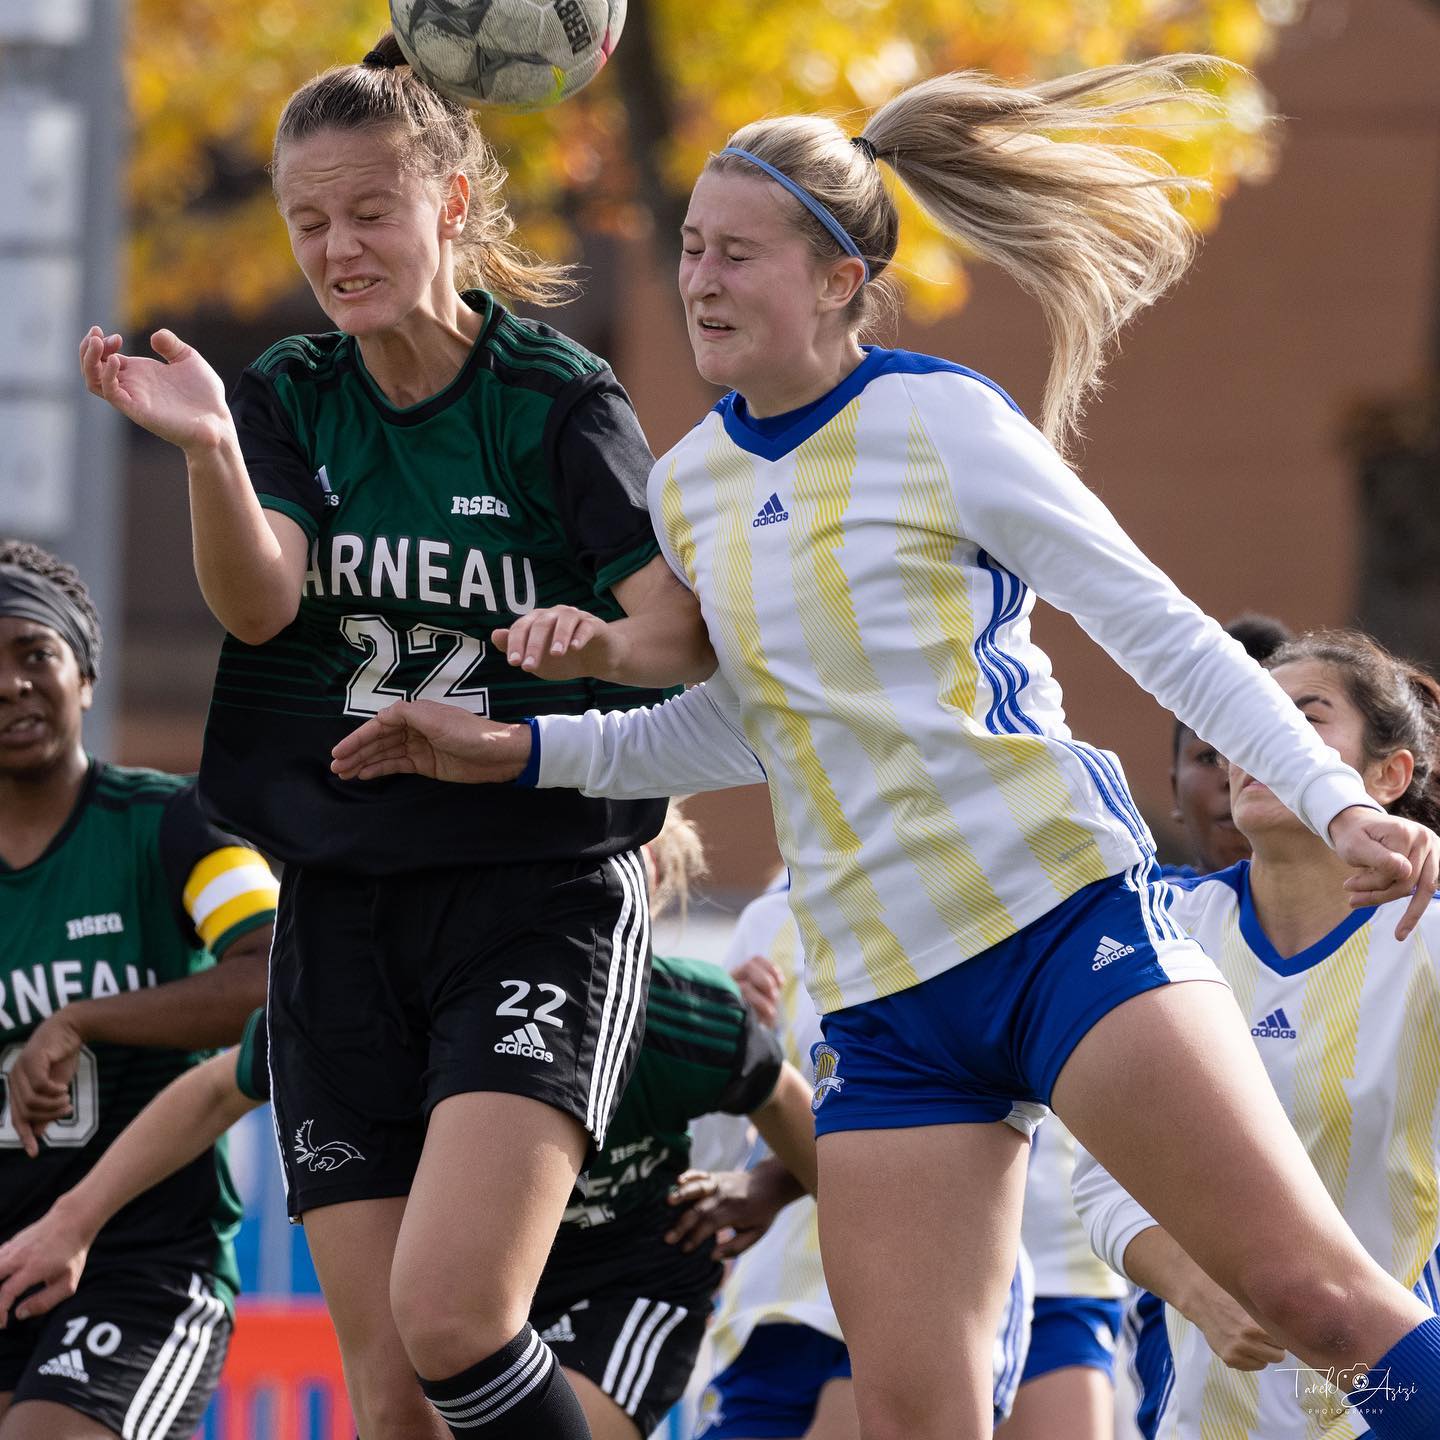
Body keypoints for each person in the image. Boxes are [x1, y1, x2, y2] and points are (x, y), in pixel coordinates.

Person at [328, 56, 1440, 1440]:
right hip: (883, 1008)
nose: (701, 280)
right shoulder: (692, 486)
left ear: (843, 279)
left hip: (1055, 925)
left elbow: (1163, 631)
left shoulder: (943, 422)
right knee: (912, 1421)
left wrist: (1339, 806)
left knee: (1318, 1304)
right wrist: (519, 748)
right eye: (688, 249)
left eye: (739, 252)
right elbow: (747, 722)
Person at [79, 32, 713, 1440]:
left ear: (453, 206)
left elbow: (681, 631)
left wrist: (597, 641)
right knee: (389, 1398)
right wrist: (208, 456)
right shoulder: (295, 393)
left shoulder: (552, 398)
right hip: (345, 907)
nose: (336, 247)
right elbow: (263, 601)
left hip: (532, 894)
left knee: (456, 1320)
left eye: (368, 211)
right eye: (309, 221)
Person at [0, 809, 818, 1440]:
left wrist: (770, 1188)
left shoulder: (684, 1014)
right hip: (480, 1282)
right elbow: (216, 1092)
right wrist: (71, 1223)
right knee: (398, 1412)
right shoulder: (384, 1004)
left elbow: (784, 1101)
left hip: (627, 1283)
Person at [1074, 629, 1440, 1436]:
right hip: (1199, 1420)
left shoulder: (1428, 943)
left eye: (1303, 719)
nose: (1259, 743)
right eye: (1245, 720)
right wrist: (1196, 1287)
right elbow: (1099, 1181)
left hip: (1386, 1405)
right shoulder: (1167, 929)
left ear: (1389, 776)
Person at [0, 540, 275, 1440]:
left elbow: (280, 972)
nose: (11, 685)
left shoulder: (173, 824)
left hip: (143, 1262)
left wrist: (80, 1020)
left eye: (35, 654)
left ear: (84, 676)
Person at [690, 878, 1032, 1440]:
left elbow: (974, 1110)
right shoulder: (767, 920)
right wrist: (729, 1042)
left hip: (921, 1282)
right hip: (771, 1309)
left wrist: (775, 1182)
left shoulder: (977, 892)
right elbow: (712, 1155)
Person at [1168, 615, 1293, 879]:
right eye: (1210, 757)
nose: (1235, 774)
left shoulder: (1396, 912)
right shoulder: (1130, 909)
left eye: (1266, 749)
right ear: (1174, 788)